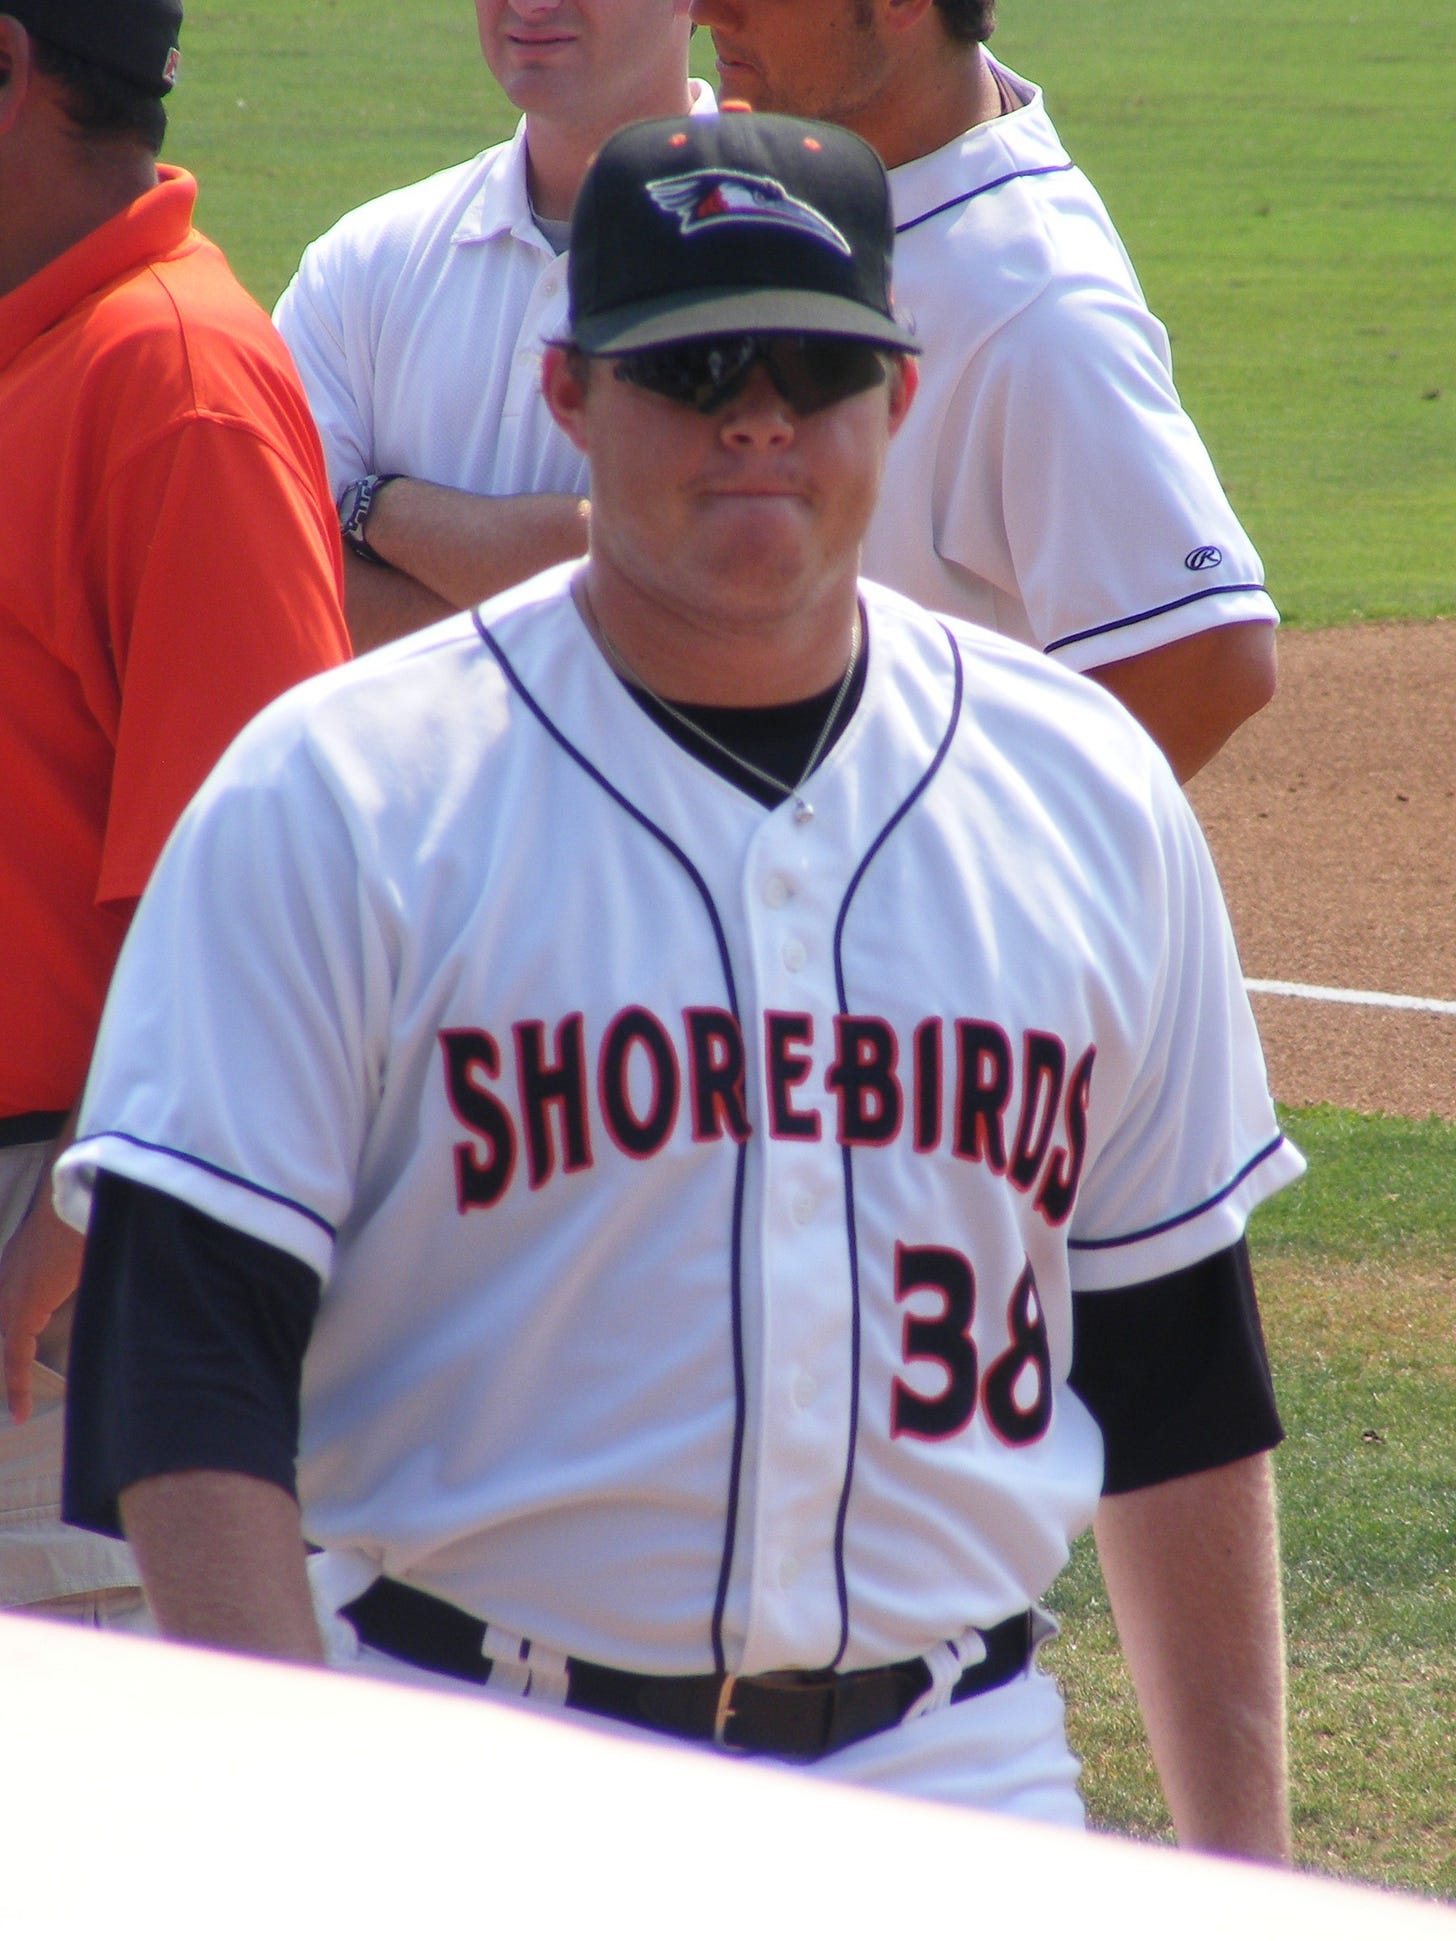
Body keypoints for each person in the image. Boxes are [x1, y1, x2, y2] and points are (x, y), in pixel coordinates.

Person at [58, 111, 1300, 1858]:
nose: (758, 420)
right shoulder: (341, 796)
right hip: (474, 1764)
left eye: (815, 361)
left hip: (958, 1781)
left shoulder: (1081, 791)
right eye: (694, 364)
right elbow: (177, 1375)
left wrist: (1240, 1883)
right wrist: (300, 1828)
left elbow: (1177, 1380)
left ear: (906, 392)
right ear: (567, 395)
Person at [0, 0, 351, 1623]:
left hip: (57, 1220)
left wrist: (78, 1240)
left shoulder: (174, 381)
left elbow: (263, 898)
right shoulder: (41, 343)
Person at [687, 0, 1278, 782]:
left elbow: (1205, 662)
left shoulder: (1035, 310)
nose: (701, 9)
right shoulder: (842, 166)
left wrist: (965, 873)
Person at [271, 0, 707, 652]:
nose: (530, 5)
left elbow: (707, 604)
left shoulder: (799, 279)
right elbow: (276, 582)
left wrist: (373, 508)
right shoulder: (360, 266)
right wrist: (588, 622)